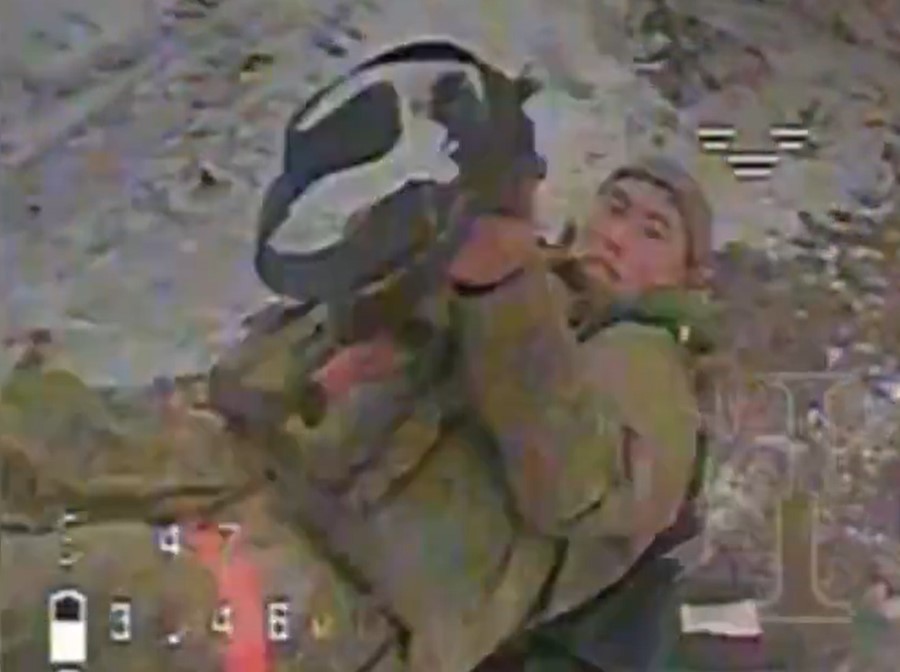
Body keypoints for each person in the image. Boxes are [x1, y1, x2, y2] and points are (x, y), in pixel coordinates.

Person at [445, 155, 719, 671]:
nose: (616, 237)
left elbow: (576, 485)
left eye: (653, 233)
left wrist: (495, 291)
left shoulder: (649, 362)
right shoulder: (541, 295)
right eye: (614, 209)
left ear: (684, 279)